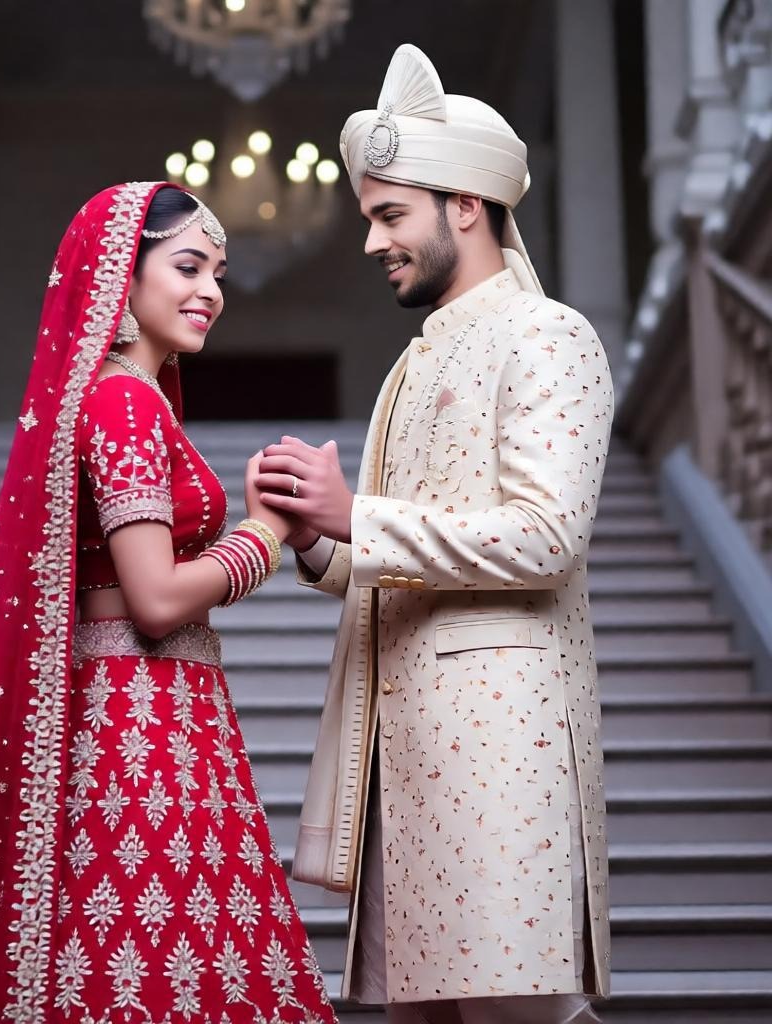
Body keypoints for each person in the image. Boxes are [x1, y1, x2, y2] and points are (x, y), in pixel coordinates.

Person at [0, 182, 336, 1024]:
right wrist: (265, 535)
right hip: (139, 726)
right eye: (187, 266)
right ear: (120, 278)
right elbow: (153, 597)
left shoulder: (125, 399)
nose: (210, 290)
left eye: (218, 271)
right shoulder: (125, 401)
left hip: (161, 714)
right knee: (148, 963)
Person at [255, 45, 613, 1024]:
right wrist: (316, 540)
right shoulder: (412, 364)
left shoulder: (548, 336)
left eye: (389, 215)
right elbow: (397, 556)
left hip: (503, 752)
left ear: (465, 206)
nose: (371, 241)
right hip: (401, 759)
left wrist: (353, 515)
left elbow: (545, 539)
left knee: (517, 1013)